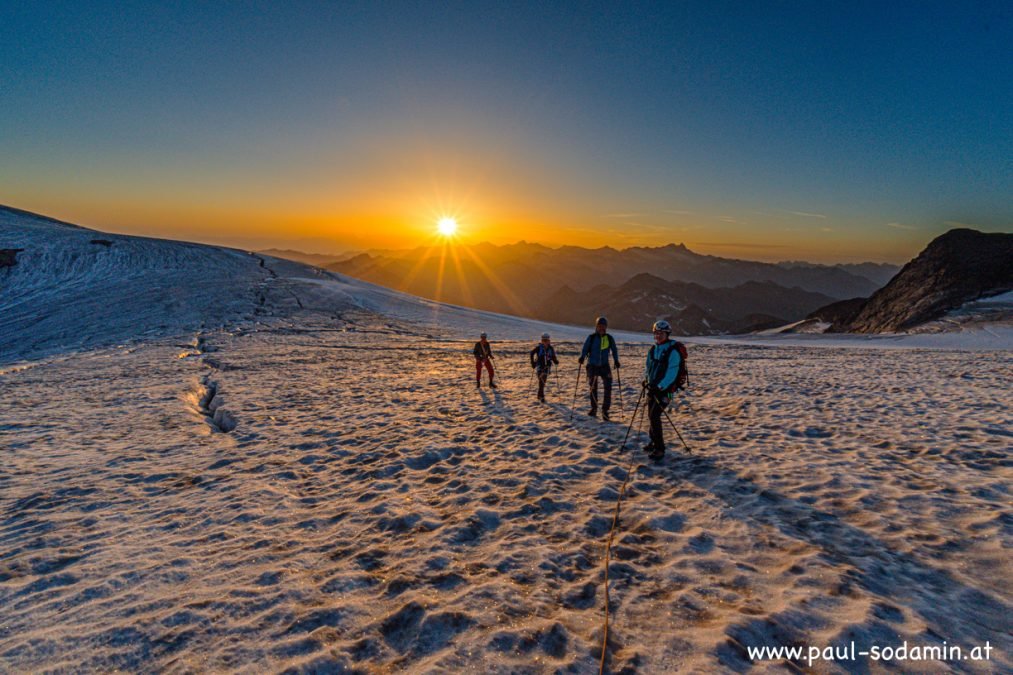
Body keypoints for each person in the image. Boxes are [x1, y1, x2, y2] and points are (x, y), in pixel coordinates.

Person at [642, 320, 681, 461]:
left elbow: (672, 373)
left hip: (665, 391)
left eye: (661, 333)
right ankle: (653, 442)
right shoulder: (653, 349)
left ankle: (660, 449)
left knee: (654, 416)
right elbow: (648, 368)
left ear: (667, 334)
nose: (658, 336)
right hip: (652, 389)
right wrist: (646, 381)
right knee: (651, 416)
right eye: (656, 333)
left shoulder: (673, 352)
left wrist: (659, 387)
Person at [579, 316, 620, 420]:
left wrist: (616, 360)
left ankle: (605, 411)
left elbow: (614, 350)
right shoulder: (591, 337)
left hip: (604, 366)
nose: (601, 328)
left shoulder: (609, 338)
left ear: (606, 327)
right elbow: (585, 348)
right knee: (593, 388)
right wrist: (582, 357)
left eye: (603, 326)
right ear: (596, 326)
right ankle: (594, 409)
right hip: (592, 366)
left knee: (608, 387)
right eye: (600, 326)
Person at [529, 333, 559, 402]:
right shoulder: (538, 348)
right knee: (541, 381)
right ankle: (540, 396)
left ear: (549, 341)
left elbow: (553, 357)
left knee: (542, 381)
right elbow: (531, 353)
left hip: (547, 367)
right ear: (542, 341)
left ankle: (540, 396)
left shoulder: (551, 348)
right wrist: (532, 363)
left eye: (547, 340)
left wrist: (555, 361)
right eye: (544, 340)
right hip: (539, 366)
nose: (545, 342)